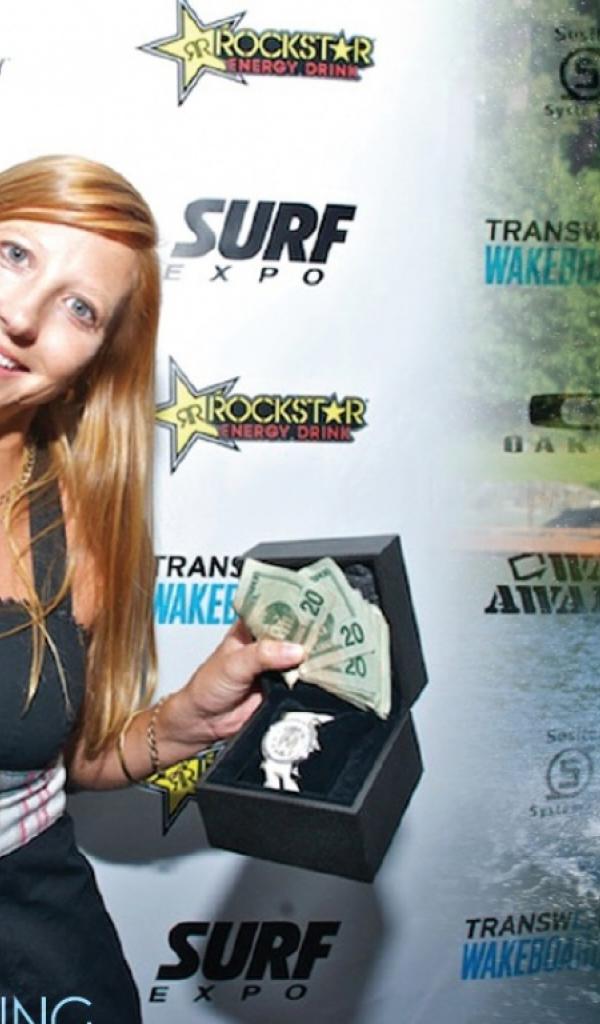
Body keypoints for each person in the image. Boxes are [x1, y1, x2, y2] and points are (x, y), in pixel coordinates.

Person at [0, 154, 304, 1022]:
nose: (21, 315)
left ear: (97, 360)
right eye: (13, 254)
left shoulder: (78, 528)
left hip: (33, 948)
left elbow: (63, 761)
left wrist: (183, 722)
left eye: (80, 308)